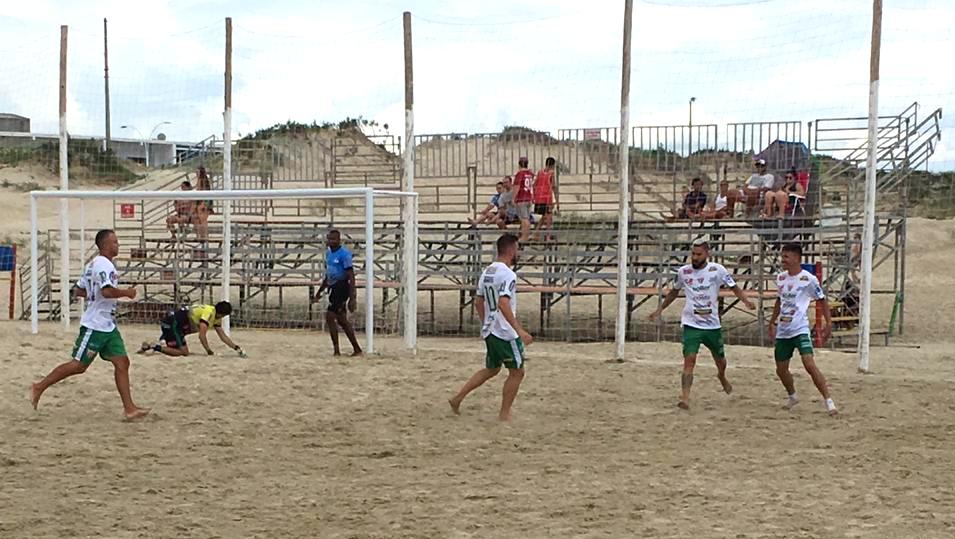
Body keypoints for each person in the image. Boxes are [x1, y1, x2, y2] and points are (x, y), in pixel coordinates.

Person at [30, 229, 150, 420]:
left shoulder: (93, 263)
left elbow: (78, 290)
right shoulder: (104, 265)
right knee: (78, 365)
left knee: (122, 362)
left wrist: (94, 294)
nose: (118, 245)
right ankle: (39, 386)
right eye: (115, 242)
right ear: (105, 245)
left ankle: (129, 408)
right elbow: (108, 292)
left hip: (107, 324)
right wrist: (127, 293)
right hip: (95, 325)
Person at [649, 238, 755, 410]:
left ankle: (721, 376)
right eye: (693, 254)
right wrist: (659, 309)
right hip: (691, 324)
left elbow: (734, 287)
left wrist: (746, 301)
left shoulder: (717, 270)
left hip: (712, 325)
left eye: (699, 254)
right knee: (689, 360)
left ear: (707, 254)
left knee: (720, 360)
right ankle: (685, 398)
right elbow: (674, 292)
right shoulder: (684, 272)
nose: (695, 257)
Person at [449, 233, 533, 421]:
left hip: (490, 329)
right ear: (511, 250)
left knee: (492, 369)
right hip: (505, 333)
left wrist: (486, 322)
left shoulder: (487, 271)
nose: (518, 253)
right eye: (518, 249)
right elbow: (503, 303)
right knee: (517, 372)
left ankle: (457, 398)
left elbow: (479, 301)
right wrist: (519, 330)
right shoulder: (509, 274)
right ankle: (504, 414)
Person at [768, 243, 838, 416]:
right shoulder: (781, 278)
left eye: (786, 256)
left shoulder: (808, 279)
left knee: (809, 364)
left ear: (797, 258)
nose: (783, 260)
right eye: (782, 256)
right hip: (784, 330)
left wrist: (828, 323)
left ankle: (829, 401)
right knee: (781, 369)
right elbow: (780, 300)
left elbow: (822, 299)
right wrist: (772, 321)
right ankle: (792, 396)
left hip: (800, 328)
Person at [311, 229, 362, 357]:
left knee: (330, 316)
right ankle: (355, 349)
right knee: (342, 320)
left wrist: (352, 297)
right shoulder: (329, 254)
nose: (331, 241)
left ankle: (337, 350)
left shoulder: (344, 255)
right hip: (333, 288)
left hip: (342, 287)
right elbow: (329, 276)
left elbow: (351, 276)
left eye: (333, 239)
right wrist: (319, 292)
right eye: (329, 239)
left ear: (339, 240)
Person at [139, 301, 246, 358]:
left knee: (180, 344)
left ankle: (155, 344)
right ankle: (153, 346)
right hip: (174, 324)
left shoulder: (214, 314)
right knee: (183, 352)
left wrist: (236, 348)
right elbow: (202, 336)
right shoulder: (208, 314)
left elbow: (222, 336)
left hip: (177, 324)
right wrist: (209, 351)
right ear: (222, 314)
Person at [532, 157, 557, 240]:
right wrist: (556, 200)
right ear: (553, 165)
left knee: (544, 216)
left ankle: (536, 233)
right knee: (549, 217)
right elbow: (553, 186)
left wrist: (534, 196)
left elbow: (534, 185)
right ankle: (548, 236)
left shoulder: (539, 172)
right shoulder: (551, 173)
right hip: (547, 198)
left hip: (539, 198)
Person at [511, 156, 535, 241]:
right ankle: (525, 234)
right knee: (526, 218)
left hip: (521, 198)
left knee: (524, 219)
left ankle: (525, 236)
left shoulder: (519, 174)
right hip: (528, 198)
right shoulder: (529, 174)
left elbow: (516, 187)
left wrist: (513, 198)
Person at [194, 166, 214, 240]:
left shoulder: (203, 180)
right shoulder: (202, 180)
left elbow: (202, 192)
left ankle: (204, 236)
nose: (196, 174)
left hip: (204, 203)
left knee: (202, 220)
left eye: (197, 172)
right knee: (200, 220)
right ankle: (202, 236)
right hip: (202, 202)